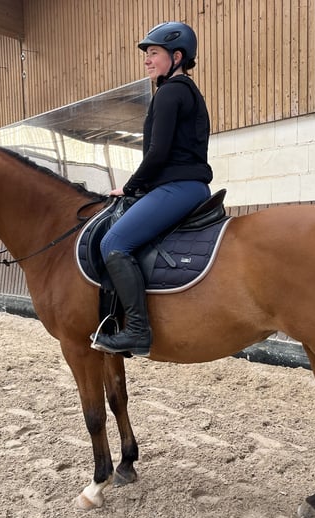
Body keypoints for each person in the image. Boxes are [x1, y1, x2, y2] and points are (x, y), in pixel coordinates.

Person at [91, 21, 213, 357]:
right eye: (146, 54)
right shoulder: (184, 91)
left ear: (176, 56)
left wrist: (130, 188)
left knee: (114, 242)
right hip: (186, 186)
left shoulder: (171, 92)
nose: (147, 59)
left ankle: (136, 330)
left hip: (178, 188)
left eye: (154, 53)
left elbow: (158, 153)